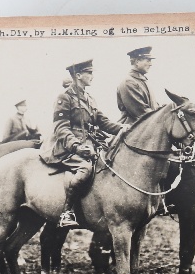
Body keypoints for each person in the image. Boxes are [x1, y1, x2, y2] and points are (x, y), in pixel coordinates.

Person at [39, 58, 129, 228]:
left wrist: (124, 129)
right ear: (78, 75)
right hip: (68, 147)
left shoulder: (89, 98)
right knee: (85, 168)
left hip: (89, 145)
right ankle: (67, 211)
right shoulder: (64, 98)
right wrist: (76, 147)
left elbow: (103, 122)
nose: (92, 76)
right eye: (89, 73)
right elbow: (61, 128)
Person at [116, 46, 158, 124]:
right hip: (132, 131)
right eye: (148, 60)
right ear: (137, 61)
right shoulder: (129, 82)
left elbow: (154, 107)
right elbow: (141, 112)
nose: (151, 64)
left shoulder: (142, 80)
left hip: (146, 128)